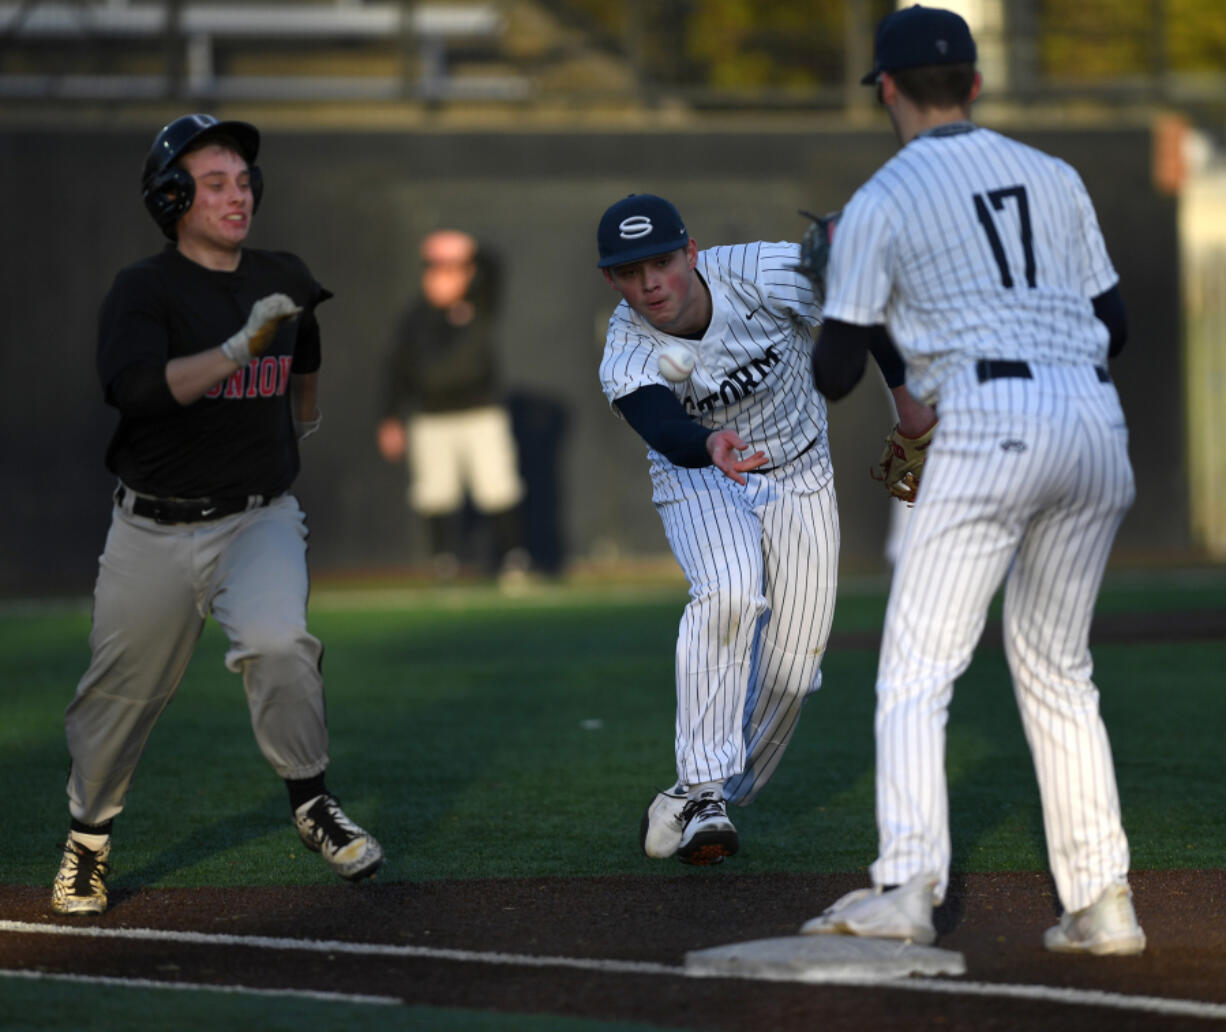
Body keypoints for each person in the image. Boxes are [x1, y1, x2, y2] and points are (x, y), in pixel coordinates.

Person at [800, 6, 1144, 955]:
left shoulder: (883, 198)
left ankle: (906, 889)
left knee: (917, 672)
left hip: (985, 428)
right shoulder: (1058, 176)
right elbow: (1112, 324)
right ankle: (1103, 903)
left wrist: (850, 299)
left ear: (887, 89)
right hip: (1092, 424)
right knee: (1059, 670)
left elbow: (833, 374)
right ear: (977, 84)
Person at [51, 113, 383, 916]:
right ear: (171, 198)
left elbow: (305, 356)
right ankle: (87, 839)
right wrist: (237, 350)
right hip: (152, 529)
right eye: (215, 183)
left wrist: (297, 421)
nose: (238, 195)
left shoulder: (285, 273)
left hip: (257, 518)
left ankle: (311, 802)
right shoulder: (144, 290)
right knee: (116, 700)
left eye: (243, 180)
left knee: (280, 644)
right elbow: (134, 391)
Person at [596, 193, 929, 865]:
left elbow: (865, 312)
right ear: (611, 278)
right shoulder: (626, 346)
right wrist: (706, 445)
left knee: (793, 673)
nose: (649, 283)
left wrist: (908, 407)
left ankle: (698, 797)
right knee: (729, 594)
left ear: (691, 254)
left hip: (800, 471)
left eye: (661, 262)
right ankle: (703, 792)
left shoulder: (766, 273)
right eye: (630, 272)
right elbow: (658, 422)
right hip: (700, 475)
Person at [376, 229, 528, 582]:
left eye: (453, 269)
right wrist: (390, 418)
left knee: (498, 486)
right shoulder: (414, 317)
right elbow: (396, 370)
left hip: (481, 413)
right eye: (437, 270)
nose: (444, 278)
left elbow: (495, 267)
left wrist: (467, 247)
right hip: (430, 418)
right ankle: (443, 561)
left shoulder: (480, 303)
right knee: (434, 492)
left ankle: (512, 558)